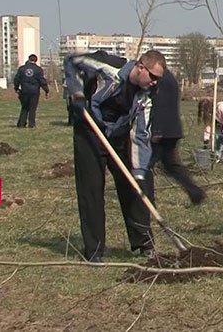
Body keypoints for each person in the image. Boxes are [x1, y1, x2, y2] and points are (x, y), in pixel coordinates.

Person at [64, 49, 164, 262]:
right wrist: (78, 94)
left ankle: (143, 241)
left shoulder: (147, 96)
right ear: (140, 67)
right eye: (153, 77)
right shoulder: (109, 65)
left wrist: (140, 173)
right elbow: (72, 62)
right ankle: (95, 250)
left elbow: (141, 135)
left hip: (119, 135)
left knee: (135, 187)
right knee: (91, 189)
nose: (155, 83)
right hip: (89, 132)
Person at [149, 68, 206, 205]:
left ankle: (144, 197)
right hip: (172, 129)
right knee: (171, 165)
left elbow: (160, 105)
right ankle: (195, 192)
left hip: (163, 131)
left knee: (147, 164)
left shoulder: (161, 79)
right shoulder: (171, 78)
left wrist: (156, 130)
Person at [13, 54, 49, 128]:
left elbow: (17, 79)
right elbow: (42, 81)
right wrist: (46, 90)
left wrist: (16, 88)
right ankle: (31, 124)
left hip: (24, 91)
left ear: (29, 59)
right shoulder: (38, 70)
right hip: (34, 92)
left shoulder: (22, 69)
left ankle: (21, 123)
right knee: (33, 108)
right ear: (36, 60)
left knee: (24, 107)